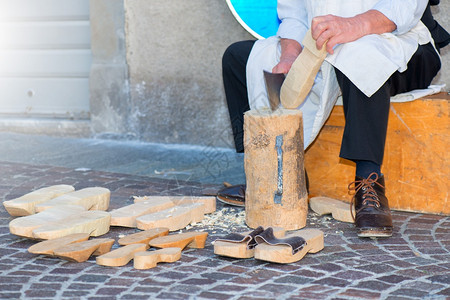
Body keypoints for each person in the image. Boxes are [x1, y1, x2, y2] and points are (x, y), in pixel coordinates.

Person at [219, 0, 449, 238]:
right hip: (322, 46)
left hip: (400, 42)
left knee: (360, 56)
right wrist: (290, 56)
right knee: (239, 58)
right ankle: (275, 174)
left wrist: (352, 25)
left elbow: (404, 7)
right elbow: (295, 12)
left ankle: (369, 185)